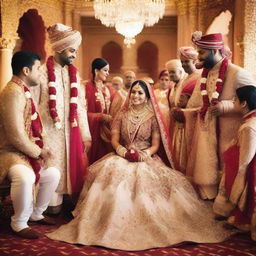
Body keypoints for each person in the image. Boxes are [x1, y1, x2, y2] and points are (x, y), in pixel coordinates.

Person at [47, 80, 236, 251]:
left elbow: (155, 144)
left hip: (146, 157)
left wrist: (146, 153)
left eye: (140, 93)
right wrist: (121, 151)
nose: (135, 96)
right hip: (122, 155)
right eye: (134, 92)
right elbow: (114, 139)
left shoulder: (152, 117)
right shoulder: (121, 115)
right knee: (112, 178)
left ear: (147, 96)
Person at [185, 31, 256, 199]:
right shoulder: (206, 74)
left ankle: (231, 204)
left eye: (201, 53)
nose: (198, 57)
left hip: (231, 132)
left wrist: (225, 106)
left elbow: (254, 101)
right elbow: (198, 103)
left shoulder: (237, 73)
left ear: (214, 51)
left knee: (230, 168)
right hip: (209, 131)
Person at [0, 51, 60, 239]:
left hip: (23, 151)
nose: (40, 74)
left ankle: (36, 213)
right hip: (8, 152)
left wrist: (42, 149)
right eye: (37, 69)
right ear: (26, 70)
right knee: (25, 176)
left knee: (53, 174)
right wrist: (38, 151)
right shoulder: (12, 92)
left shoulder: (23, 90)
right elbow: (15, 134)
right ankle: (19, 222)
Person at [37, 23, 92, 214]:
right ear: (59, 48)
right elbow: (32, 110)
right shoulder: (41, 74)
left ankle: (66, 196)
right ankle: (46, 203)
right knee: (52, 208)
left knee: (70, 179)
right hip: (48, 134)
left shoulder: (74, 76)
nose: (74, 55)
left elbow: (81, 107)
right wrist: (37, 138)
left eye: (75, 51)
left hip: (71, 133)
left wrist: (86, 134)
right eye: (71, 50)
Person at [213, 86, 256, 241]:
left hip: (251, 171)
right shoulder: (250, 121)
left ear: (243, 103)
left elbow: (245, 160)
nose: (233, 102)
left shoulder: (249, 127)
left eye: (235, 100)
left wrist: (238, 182)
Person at [85, 58, 122, 164]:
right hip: (93, 133)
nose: (107, 73)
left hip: (107, 131)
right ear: (96, 71)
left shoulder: (108, 89)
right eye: (105, 70)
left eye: (108, 71)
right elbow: (81, 114)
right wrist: (99, 117)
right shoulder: (86, 88)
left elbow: (118, 102)